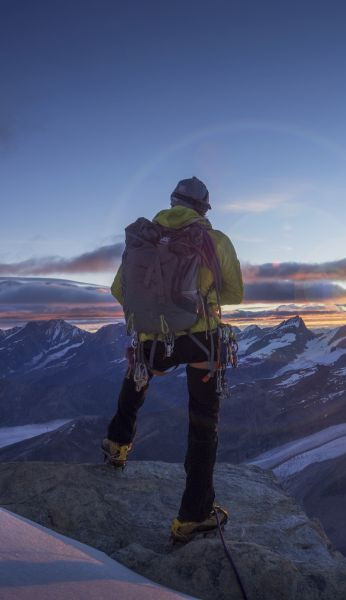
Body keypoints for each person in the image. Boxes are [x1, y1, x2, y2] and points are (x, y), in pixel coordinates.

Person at [102, 176, 243, 543]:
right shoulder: (215, 240)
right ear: (203, 208)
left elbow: (120, 290)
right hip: (202, 340)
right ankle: (193, 514)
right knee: (203, 421)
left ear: (171, 202)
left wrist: (156, 314)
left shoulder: (142, 240)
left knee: (138, 377)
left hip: (153, 337)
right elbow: (235, 292)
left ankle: (117, 446)